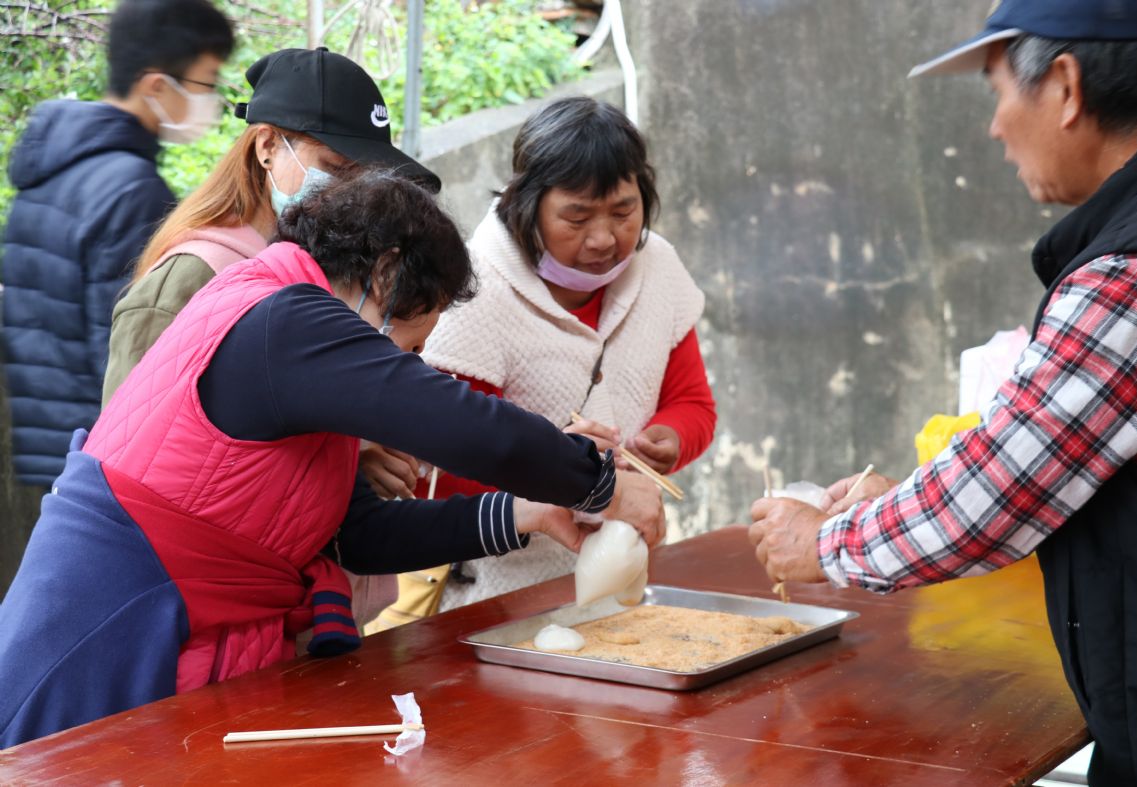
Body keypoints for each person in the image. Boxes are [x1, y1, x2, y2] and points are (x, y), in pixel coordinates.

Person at [0, 170, 664, 748]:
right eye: (407, 346)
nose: (403, 366)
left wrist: (529, 511)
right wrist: (598, 481)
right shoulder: (283, 318)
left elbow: (359, 534)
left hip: (177, 619)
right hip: (117, 620)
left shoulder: (300, 351)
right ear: (384, 273)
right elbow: (460, 423)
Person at [747, 1, 1137, 784]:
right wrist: (902, 496)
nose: (994, 128)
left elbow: (1000, 490)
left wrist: (824, 544)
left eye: (996, 92)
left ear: (1066, 85)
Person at [390, 96, 715, 616]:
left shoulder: (659, 268)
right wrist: (561, 466)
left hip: (625, 578)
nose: (604, 238)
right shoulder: (475, 289)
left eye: (624, 211)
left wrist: (671, 438)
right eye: (577, 216)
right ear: (528, 203)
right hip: (496, 596)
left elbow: (693, 402)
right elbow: (447, 464)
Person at [101, 46, 441, 405]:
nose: (353, 193)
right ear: (268, 146)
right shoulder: (192, 276)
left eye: (366, 180)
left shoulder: (331, 269)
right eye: (337, 170)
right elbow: (123, 447)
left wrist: (359, 453)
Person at [1, 0, 234, 487]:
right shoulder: (133, 191)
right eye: (207, 82)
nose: (212, 100)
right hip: (104, 464)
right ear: (156, 85)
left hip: (47, 449)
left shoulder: (48, 170)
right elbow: (131, 360)